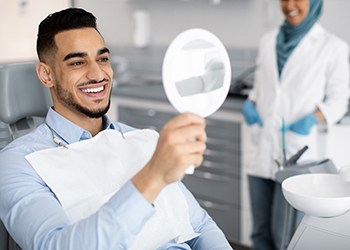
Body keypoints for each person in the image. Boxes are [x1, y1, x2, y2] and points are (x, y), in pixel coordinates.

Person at [0, 8, 233, 249]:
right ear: (46, 74)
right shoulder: (18, 163)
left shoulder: (144, 139)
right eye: (78, 62)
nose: (97, 74)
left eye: (102, 59)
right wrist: (152, 176)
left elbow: (200, 226)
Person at [242, 0, 349, 249]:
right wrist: (251, 103)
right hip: (262, 148)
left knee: (285, 237)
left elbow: (338, 100)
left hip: (299, 155)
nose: (289, 5)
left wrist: (315, 116)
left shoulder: (333, 47)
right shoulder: (268, 41)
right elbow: (260, 89)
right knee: (258, 234)